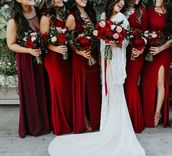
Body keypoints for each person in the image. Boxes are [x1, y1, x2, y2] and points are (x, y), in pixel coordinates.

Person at [48, 0, 145, 155]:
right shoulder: (103, 15)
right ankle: (106, 126)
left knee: (114, 90)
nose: (120, 4)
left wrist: (117, 43)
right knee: (105, 90)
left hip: (114, 61)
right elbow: (94, 37)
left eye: (122, 2)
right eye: (118, 1)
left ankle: (116, 126)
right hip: (104, 61)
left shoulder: (122, 19)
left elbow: (126, 42)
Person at [6, 0, 51, 138]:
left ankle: (48, 122)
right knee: (32, 90)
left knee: (44, 88)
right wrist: (28, 50)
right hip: (26, 58)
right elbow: (11, 44)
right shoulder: (14, 21)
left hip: (42, 55)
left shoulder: (39, 11)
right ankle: (34, 126)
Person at [66, 0, 101, 133]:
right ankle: (84, 120)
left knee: (93, 88)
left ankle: (96, 119)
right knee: (83, 88)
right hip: (81, 58)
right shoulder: (71, 17)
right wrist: (79, 51)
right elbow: (68, 39)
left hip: (93, 56)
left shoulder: (90, 13)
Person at [141, 0, 172, 127]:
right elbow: (143, 31)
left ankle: (157, 113)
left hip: (163, 52)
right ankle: (147, 112)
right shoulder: (148, 10)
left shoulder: (171, 13)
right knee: (146, 82)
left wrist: (160, 48)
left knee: (160, 83)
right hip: (149, 52)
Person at [40, 0, 73, 135]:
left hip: (66, 58)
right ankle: (61, 126)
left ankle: (70, 122)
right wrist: (55, 48)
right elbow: (42, 41)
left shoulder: (68, 14)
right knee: (58, 91)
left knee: (67, 90)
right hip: (53, 59)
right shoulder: (46, 17)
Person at [124, 0, 147, 133]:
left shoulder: (142, 11)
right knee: (122, 83)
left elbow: (146, 34)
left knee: (130, 84)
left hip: (136, 53)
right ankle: (123, 119)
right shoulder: (120, 9)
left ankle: (135, 122)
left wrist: (140, 48)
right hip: (120, 53)